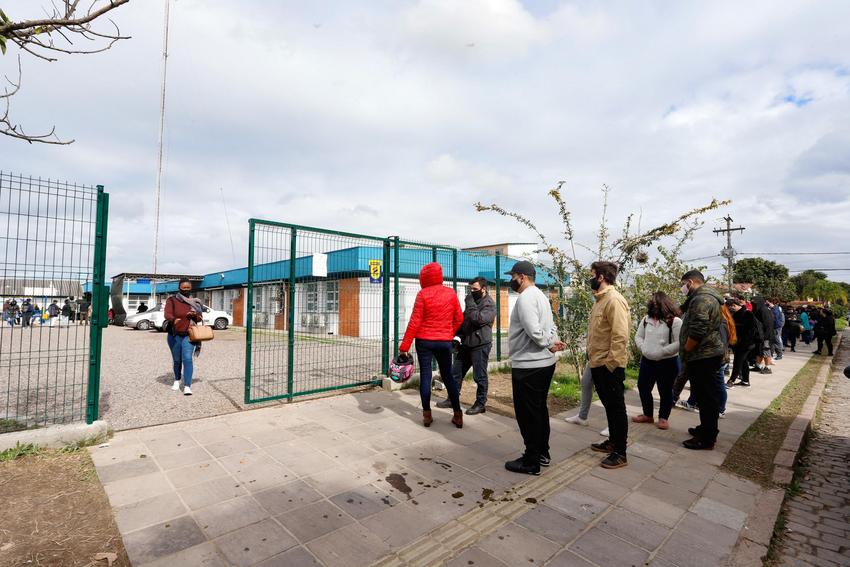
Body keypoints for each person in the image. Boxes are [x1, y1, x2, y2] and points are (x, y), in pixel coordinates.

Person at [502, 260, 564, 475]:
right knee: (538, 411)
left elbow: (534, 331)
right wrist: (552, 342)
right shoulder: (541, 296)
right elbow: (551, 326)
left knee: (527, 414)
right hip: (543, 363)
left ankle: (531, 461)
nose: (511, 281)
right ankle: (542, 453)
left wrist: (547, 343)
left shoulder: (526, 298)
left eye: (513, 277)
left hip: (529, 365)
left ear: (522, 277)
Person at [399, 263, 464, 428]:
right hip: (444, 342)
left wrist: (404, 347)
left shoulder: (422, 294)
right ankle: (458, 415)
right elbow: (459, 319)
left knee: (426, 376)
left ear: (423, 278)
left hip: (424, 342)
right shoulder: (450, 293)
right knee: (447, 376)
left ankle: (427, 415)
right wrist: (448, 333)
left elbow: (415, 322)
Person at [586, 261, 631, 469]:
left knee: (616, 409)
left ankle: (620, 453)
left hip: (609, 366)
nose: (590, 278)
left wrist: (610, 365)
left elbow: (620, 335)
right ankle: (613, 442)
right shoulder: (600, 300)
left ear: (601, 277)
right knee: (610, 407)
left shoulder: (614, 300)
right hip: (598, 363)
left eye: (592, 274)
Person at [679, 270, 725, 450]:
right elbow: (683, 308)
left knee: (707, 397)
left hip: (703, 354)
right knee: (704, 395)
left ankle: (707, 438)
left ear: (690, 282)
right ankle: (705, 428)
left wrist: (687, 349)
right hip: (705, 354)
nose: (682, 288)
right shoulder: (701, 296)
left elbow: (698, 329)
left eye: (683, 284)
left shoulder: (702, 299)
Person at [437, 277, 495, 415]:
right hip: (466, 344)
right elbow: (464, 321)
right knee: (455, 373)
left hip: (480, 345)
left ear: (483, 289)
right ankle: (452, 399)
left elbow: (478, 320)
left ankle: (480, 404)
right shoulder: (473, 302)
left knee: (479, 376)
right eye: (470, 289)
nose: (472, 291)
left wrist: (470, 303)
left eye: (475, 289)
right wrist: (457, 337)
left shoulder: (489, 304)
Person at [633, 292, 682, 430]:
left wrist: (662, 351)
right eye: (651, 305)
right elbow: (638, 337)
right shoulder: (646, 320)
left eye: (655, 305)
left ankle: (663, 418)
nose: (653, 307)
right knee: (643, 387)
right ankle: (647, 415)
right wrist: (644, 349)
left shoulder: (675, 321)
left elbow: (680, 342)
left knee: (665, 391)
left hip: (668, 362)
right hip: (647, 361)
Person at [164, 279, 205, 395]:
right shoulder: (172, 300)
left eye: (188, 288)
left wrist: (195, 315)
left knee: (187, 359)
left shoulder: (195, 302)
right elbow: (167, 314)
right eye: (184, 287)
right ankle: (177, 380)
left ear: (191, 288)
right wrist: (173, 319)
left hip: (189, 335)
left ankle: (187, 385)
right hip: (174, 335)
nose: (186, 290)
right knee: (177, 360)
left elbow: (199, 318)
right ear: (179, 288)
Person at [727, 298, 756, 387]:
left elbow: (750, 331)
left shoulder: (747, 314)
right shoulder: (737, 314)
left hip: (745, 344)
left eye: (730, 307)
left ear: (734, 305)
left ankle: (731, 380)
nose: (729, 309)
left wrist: (743, 343)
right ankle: (745, 381)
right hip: (740, 343)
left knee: (737, 361)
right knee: (743, 361)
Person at [751, 297, 775, 374]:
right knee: (759, 350)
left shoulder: (764, 310)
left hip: (765, 336)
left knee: (766, 350)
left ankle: (768, 367)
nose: (753, 304)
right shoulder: (758, 310)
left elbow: (768, 325)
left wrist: (765, 337)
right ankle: (758, 366)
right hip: (759, 335)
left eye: (754, 302)